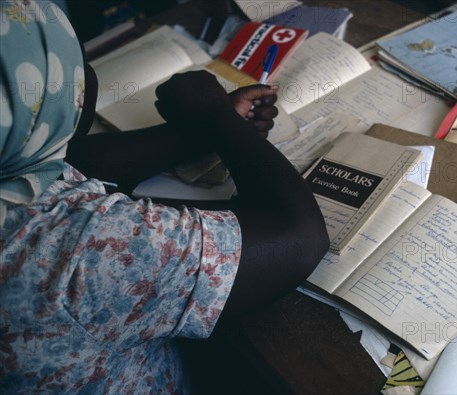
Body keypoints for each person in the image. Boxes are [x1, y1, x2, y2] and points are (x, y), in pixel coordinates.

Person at [0, 1, 329, 393]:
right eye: (68, 69)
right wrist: (214, 117)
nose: (86, 74)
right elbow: (299, 238)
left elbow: (70, 165)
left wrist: (195, 134)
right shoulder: (69, 251)